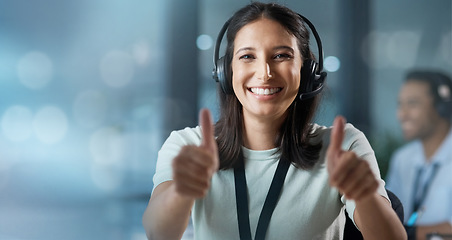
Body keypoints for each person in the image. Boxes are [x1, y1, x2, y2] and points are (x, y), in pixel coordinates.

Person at [142, 2, 406, 240]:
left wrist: (365, 196)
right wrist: (181, 191)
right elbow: (158, 232)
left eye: (281, 55)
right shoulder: (188, 145)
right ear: (226, 71)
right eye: (247, 56)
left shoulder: (344, 146)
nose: (265, 73)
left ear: (306, 72)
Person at [386, 70, 452, 240]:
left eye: (413, 104)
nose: (402, 114)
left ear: (442, 108)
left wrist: (407, 234)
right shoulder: (402, 158)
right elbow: (389, 215)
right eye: (400, 105)